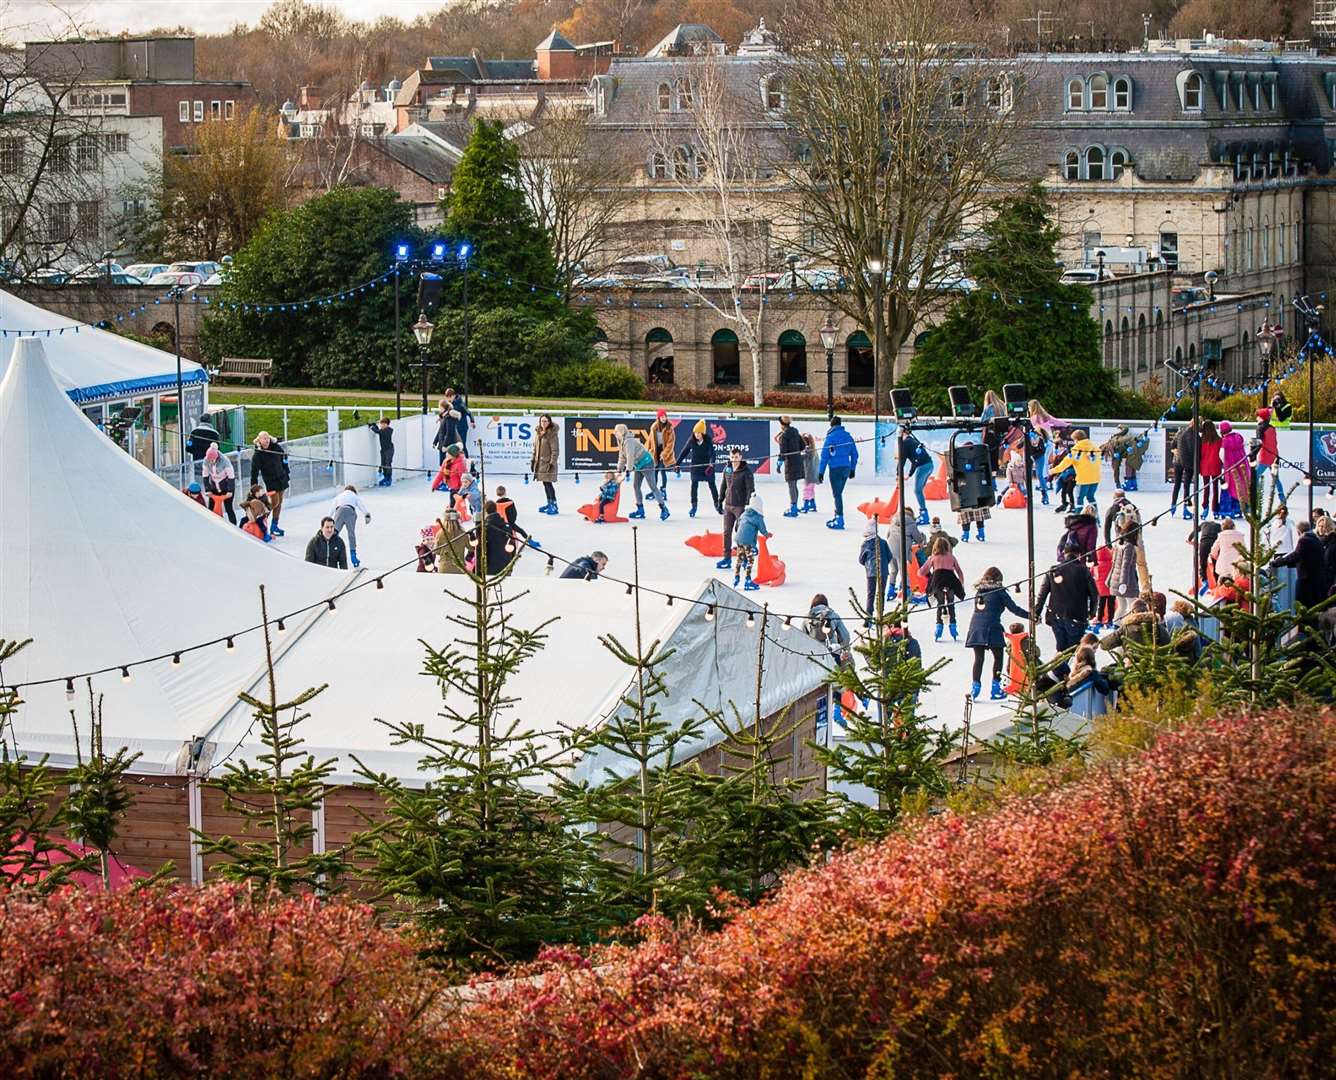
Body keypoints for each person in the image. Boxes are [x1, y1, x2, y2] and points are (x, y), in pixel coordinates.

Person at [1035, 540, 1099, 678]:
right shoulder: (1083, 571)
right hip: (1076, 616)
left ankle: (1055, 676)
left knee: (1061, 647)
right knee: (1071, 650)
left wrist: (1036, 613)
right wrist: (1092, 612)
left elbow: (1042, 594)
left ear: (1064, 554)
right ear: (1079, 554)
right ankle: (1055, 676)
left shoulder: (1053, 570)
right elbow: (1095, 594)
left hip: (1055, 616)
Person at [966, 566, 1030, 701]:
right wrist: (1031, 616)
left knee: (978, 659)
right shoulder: (1000, 592)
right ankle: (995, 688)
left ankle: (975, 688)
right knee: (998, 657)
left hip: (976, 627)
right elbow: (1014, 609)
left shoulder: (980, 592)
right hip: (992, 627)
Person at [615, 423, 664, 521]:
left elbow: (630, 456)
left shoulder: (629, 441)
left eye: (616, 431)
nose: (615, 433)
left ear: (621, 432)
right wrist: (619, 469)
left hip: (647, 463)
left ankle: (664, 509)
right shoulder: (621, 442)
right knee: (636, 486)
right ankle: (640, 510)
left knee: (653, 486)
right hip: (639, 465)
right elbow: (622, 457)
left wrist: (628, 470)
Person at [1274, 520, 1327, 609]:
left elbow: (1295, 555)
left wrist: (1278, 562)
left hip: (1306, 579)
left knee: (1302, 604)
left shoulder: (1304, 540)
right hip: (1316, 579)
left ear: (1298, 531)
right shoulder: (1315, 539)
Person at [817, 415, 858, 530]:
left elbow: (824, 457)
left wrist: (821, 472)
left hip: (835, 469)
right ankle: (837, 515)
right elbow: (855, 454)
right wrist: (852, 469)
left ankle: (840, 519)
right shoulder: (848, 437)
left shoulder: (830, 438)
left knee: (837, 494)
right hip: (846, 468)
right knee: (838, 493)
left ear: (831, 425)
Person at [717, 448, 755, 569]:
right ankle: (726, 558)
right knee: (726, 532)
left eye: (737, 457)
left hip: (740, 506)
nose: (734, 460)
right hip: (728, 506)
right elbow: (724, 485)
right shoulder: (727, 469)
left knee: (741, 533)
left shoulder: (746, 471)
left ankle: (743, 557)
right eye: (732, 457)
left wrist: (749, 504)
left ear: (741, 457)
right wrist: (720, 500)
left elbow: (750, 489)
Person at [249, 431, 290, 537]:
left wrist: (286, 472)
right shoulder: (258, 454)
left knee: (279, 502)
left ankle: (274, 526)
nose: (266, 440)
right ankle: (261, 522)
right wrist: (254, 488)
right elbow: (254, 472)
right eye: (264, 438)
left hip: (281, 478)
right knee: (274, 502)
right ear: (259, 440)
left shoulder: (275, 447)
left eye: (267, 438)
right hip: (271, 481)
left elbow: (283, 458)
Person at [1049, 428, 1101, 512]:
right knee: (1091, 497)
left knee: (1079, 499)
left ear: (1076, 439)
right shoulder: (1095, 448)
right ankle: (1096, 518)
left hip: (1083, 479)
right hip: (1095, 479)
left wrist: (1051, 471)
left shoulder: (1076, 450)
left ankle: (1076, 520)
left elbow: (1063, 466)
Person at [924, 535, 965, 641]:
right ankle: (953, 627)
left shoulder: (933, 557)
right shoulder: (951, 557)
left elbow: (921, 572)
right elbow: (959, 572)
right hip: (950, 583)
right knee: (951, 605)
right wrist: (960, 584)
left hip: (938, 584)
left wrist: (929, 576)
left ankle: (939, 628)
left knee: (940, 604)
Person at [1106, 515, 1144, 620]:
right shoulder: (1129, 547)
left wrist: (1109, 579)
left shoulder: (1119, 544)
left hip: (1115, 580)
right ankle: (1129, 625)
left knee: (1122, 606)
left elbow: (1114, 564)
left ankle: (1117, 623)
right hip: (1127, 582)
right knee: (1133, 605)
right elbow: (1125, 566)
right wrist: (1123, 583)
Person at [732, 494, 770, 591]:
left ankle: (736, 578)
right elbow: (762, 529)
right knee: (750, 560)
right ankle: (748, 580)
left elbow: (738, 524)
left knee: (739, 559)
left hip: (739, 539)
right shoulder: (758, 517)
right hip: (747, 541)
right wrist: (767, 534)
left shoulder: (744, 514)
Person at [886, 505, 925, 600]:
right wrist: (921, 542)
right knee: (904, 571)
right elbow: (919, 539)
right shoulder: (911, 523)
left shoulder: (893, 521)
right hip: (901, 550)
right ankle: (907, 594)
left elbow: (887, 535)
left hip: (890, 548)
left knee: (894, 569)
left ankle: (890, 591)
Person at [471, 500, 515, 576]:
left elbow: (479, 548)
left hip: (488, 567)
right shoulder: (506, 527)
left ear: (485, 512)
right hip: (504, 566)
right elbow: (512, 546)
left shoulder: (484, 528)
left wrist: (476, 569)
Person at [686, 420, 721, 518]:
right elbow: (684, 452)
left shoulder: (708, 440)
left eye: (699, 433)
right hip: (696, 466)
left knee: (712, 485)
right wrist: (677, 464)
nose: (697, 435)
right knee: (694, 485)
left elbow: (712, 454)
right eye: (695, 432)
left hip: (707, 467)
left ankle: (717, 505)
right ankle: (694, 506)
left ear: (703, 433)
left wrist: (711, 464)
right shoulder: (691, 441)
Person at [859, 520, 892, 624]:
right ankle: (880, 615)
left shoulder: (865, 544)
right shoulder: (883, 542)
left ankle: (868, 618)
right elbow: (890, 556)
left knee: (871, 594)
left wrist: (869, 564)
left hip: (871, 572)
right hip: (883, 571)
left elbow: (861, 560)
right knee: (881, 594)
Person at [806, 593, 851, 667]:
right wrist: (844, 650)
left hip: (814, 655)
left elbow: (802, 638)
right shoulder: (833, 615)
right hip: (833, 652)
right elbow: (845, 636)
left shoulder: (807, 617)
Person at [330, 484, 370, 568]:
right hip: (350, 511)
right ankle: (353, 557)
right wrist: (366, 514)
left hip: (339, 512)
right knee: (351, 534)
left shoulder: (339, 496)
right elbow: (361, 505)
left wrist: (328, 518)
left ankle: (330, 551)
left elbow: (332, 508)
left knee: (334, 533)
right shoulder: (354, 495)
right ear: (353, 490)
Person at [1253, 407, 1286, 507]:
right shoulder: (1272, 427)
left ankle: (1257, 498)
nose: (1256, 418)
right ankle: (1283, 500)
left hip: (1265, 457)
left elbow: (1259, 442)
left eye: (1257, 416)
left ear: (1261, 417)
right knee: (1276, 479)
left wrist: (1253, 454)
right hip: (1274, 456)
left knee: (1255, 477)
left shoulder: (1260, 427)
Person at [900, 430, 934, 524]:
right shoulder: (913, 441)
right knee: (920, 490)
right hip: (930, 465)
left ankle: (924, 515)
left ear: (903, 433)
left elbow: (902, 460)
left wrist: (898, 473)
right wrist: (909, 475)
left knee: (917, 491)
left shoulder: (905, 442)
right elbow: (915, 461)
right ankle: (923, 514)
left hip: (923, 467)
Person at [776, 416, 805, 517]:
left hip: (790, 463)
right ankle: (795, 506)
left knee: (791, 485)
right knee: (794, 485)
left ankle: (793, 508)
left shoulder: (783, 436)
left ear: (782, 425)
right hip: (798, 460)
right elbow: (803, 446)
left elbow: (783, 453)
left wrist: (779, 464)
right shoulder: (796, 432)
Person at [1220, 421, 1249, 519]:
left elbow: (1221, 454)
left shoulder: (1224, 441)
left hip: (1231, 467)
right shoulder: (1239, 436)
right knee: (1242, 486)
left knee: (1231, 487)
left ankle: (1230, 509)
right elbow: (1244, 444)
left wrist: (1225, 463)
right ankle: (1241, 509)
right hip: (1242, 465)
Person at [531, 413, 559, 515]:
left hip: (547, 464)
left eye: (545, 421)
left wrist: (552, 463)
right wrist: (533, 460)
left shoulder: (552, 434)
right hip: (540, 464)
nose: (543, 423)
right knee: (545, 483)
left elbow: (555, 450)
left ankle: (554, 505)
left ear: (549, 422)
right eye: (542, 421)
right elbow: (535, 448)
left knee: (548, 484)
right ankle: (549, 503)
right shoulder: (538, 432)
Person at [1170, 421, 1199, 520]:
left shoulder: (1180, 432)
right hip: (1189, 464)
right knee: (1186, 486)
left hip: (1177, 461)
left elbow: (1172, 445)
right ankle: (1185, 509)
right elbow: (1195, 452)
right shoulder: (1196, 437)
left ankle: (1173, 506)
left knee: (1177, 484)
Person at [432, 388, 471, 461]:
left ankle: (471, 468)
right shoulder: (443, 417)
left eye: (440, 407)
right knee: (443, 464)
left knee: (461, 450)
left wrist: (444, 445)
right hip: (443, 444)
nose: (439, 409)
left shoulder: (449, 418)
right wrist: (435, 441)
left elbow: (449, 433)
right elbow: (440, 430)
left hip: (449, 442)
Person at [201, 443, 236, 523]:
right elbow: (205, 476)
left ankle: (234, 526)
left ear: (216, 458)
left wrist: (230, 491)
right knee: (211, 508)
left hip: (225, 486)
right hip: (214, 486)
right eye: (209, 460)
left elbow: (231, 477)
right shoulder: (206, 460)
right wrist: (208, 489)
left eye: (212, 460)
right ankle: (210, 524)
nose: (211, 462)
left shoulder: (225, 461)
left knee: (228, 508)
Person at [647, 409, 676, 503]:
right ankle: (654, 490)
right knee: (654, 471)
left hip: (664, 452)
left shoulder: (669, 428)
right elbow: (650, 441)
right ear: (658, 418)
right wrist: (647, 451)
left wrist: (664, 454)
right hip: (656, 451)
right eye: (662, 417)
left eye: (665, 416)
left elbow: (670, 443)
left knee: (662, 471)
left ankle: (663, 490)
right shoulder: (654, 427)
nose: (664, 418)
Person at [1198, 420, 1223, 519]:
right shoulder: (1219, 440)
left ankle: (1205, 508)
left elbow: (1200, 454)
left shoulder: (1202, 440)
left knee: (1206, 488)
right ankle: (1215, 509)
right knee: (1215, 488)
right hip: (1215, 465)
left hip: (1205, 466)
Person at [1210, 518, 1247, 582]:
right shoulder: (1240, 536)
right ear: (1233, 526)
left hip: (1223, 565)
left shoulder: (1221, 536)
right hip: (1236, 565)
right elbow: (1244, 552)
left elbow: (1214, 550)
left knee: (1222, 582)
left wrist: (1215, 556)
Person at [1050, 430, 1077, 513]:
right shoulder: (1058, 456)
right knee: (1064, 491)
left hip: (1072, 475)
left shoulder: (1068, 453)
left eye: (1059, 446)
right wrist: (1050, 478)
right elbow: (1056, 466)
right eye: (1056, 446)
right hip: (1064, 476)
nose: (1058, 448)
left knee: (1069, 490)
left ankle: (1072, 505)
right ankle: (1064, 504)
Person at [1093, 543, 1116, 629]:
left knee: (1101, 605)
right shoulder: (1111, 563)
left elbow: (1091, 574)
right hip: (1111, 588)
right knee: (1111, 605)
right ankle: (1110, 620)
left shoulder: (1096, 565)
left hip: (1101, 590)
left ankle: (1099, 620)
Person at [368, 417, 395, 486]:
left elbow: (378, 431)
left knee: (387, 463)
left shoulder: (389, 431)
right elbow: (379, 431)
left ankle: (389, 478)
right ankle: (385, 477)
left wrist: (372, 427)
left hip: (389, 450)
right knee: (383, 464)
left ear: (387, 425)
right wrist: (374, 425)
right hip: (383, 450)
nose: (382, 425)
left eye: (383, 424)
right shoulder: (382, 430)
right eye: (381, 424)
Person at [800, 432, 820, 514]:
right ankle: (812, 504)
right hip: (815, 474)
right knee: (811, 489)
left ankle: (805, 506)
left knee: (806, 489)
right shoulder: (814, 450)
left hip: (809, 474)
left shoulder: (807, 451)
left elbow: (801, 458)